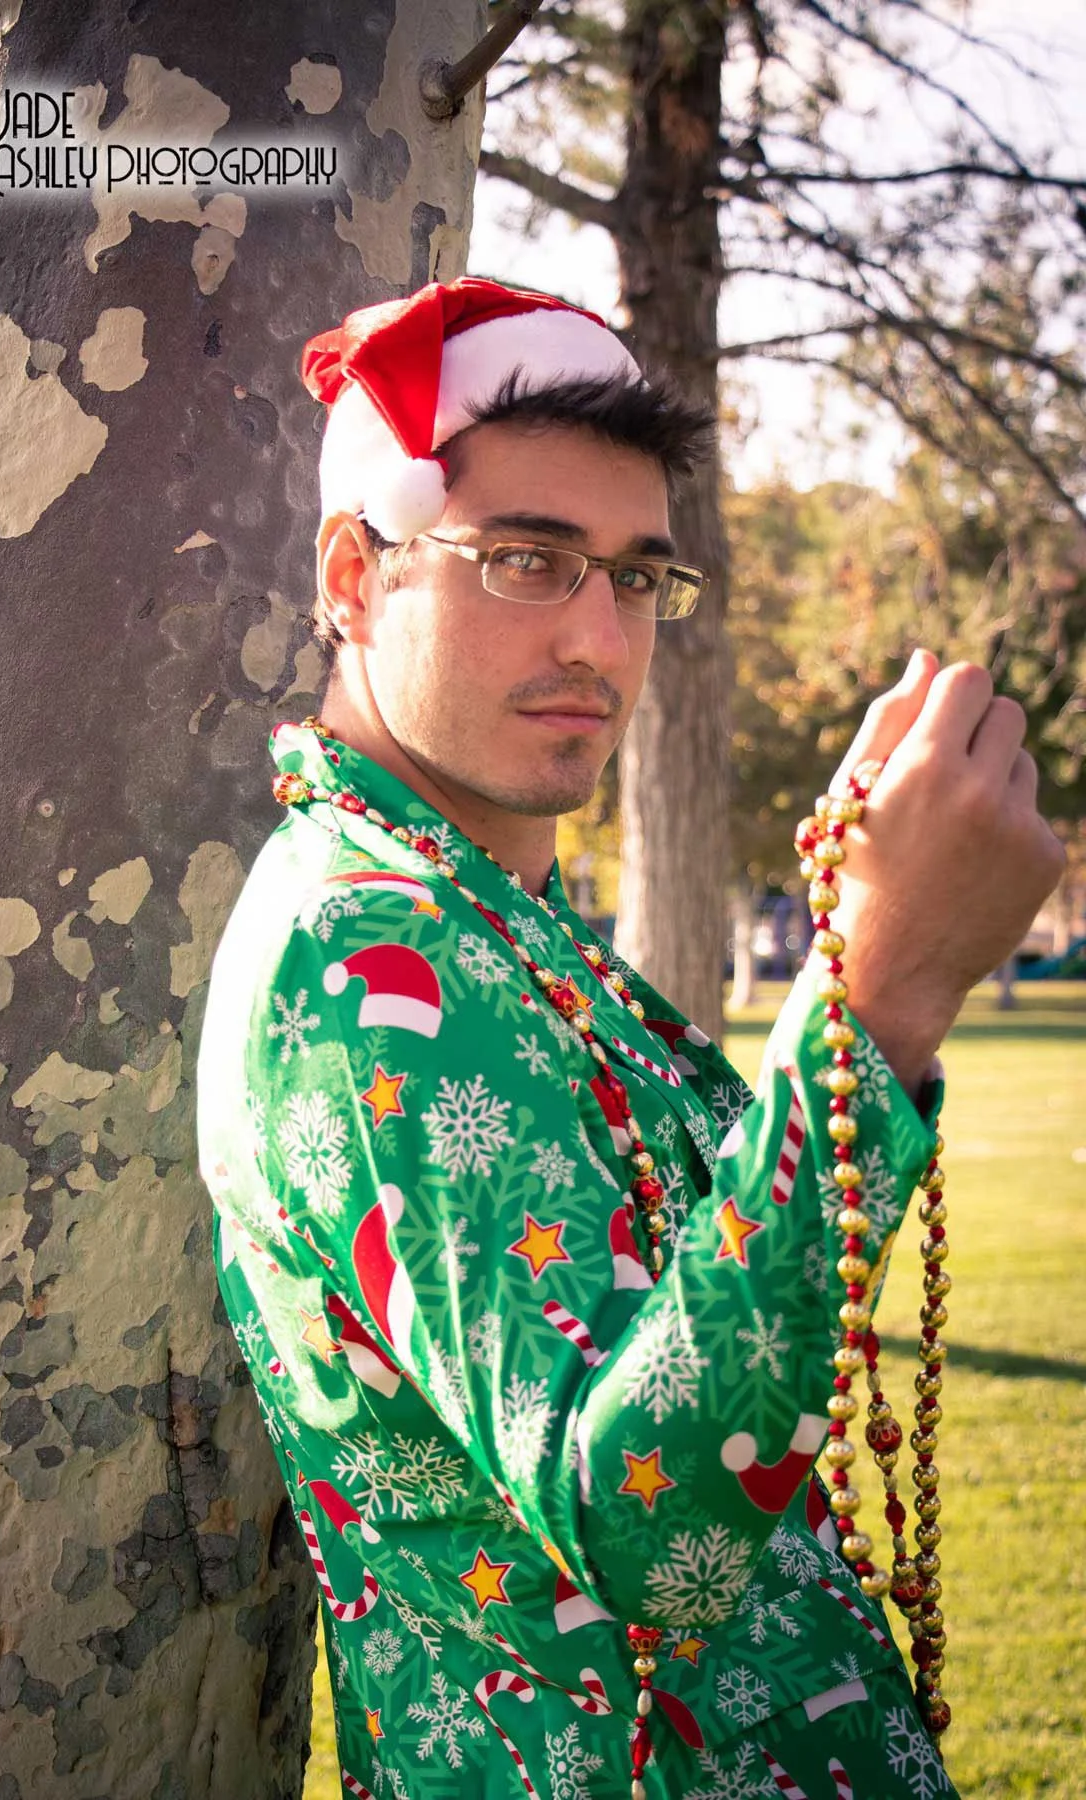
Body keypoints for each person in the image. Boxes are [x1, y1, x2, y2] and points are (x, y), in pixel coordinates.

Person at [196, 278, 1064, 1799]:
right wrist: (880, 994)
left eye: (637, 579)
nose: (599, 640)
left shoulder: (496, 923)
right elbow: (643, 1535)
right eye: (526, 561)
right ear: (353, 574)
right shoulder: (363, 955)